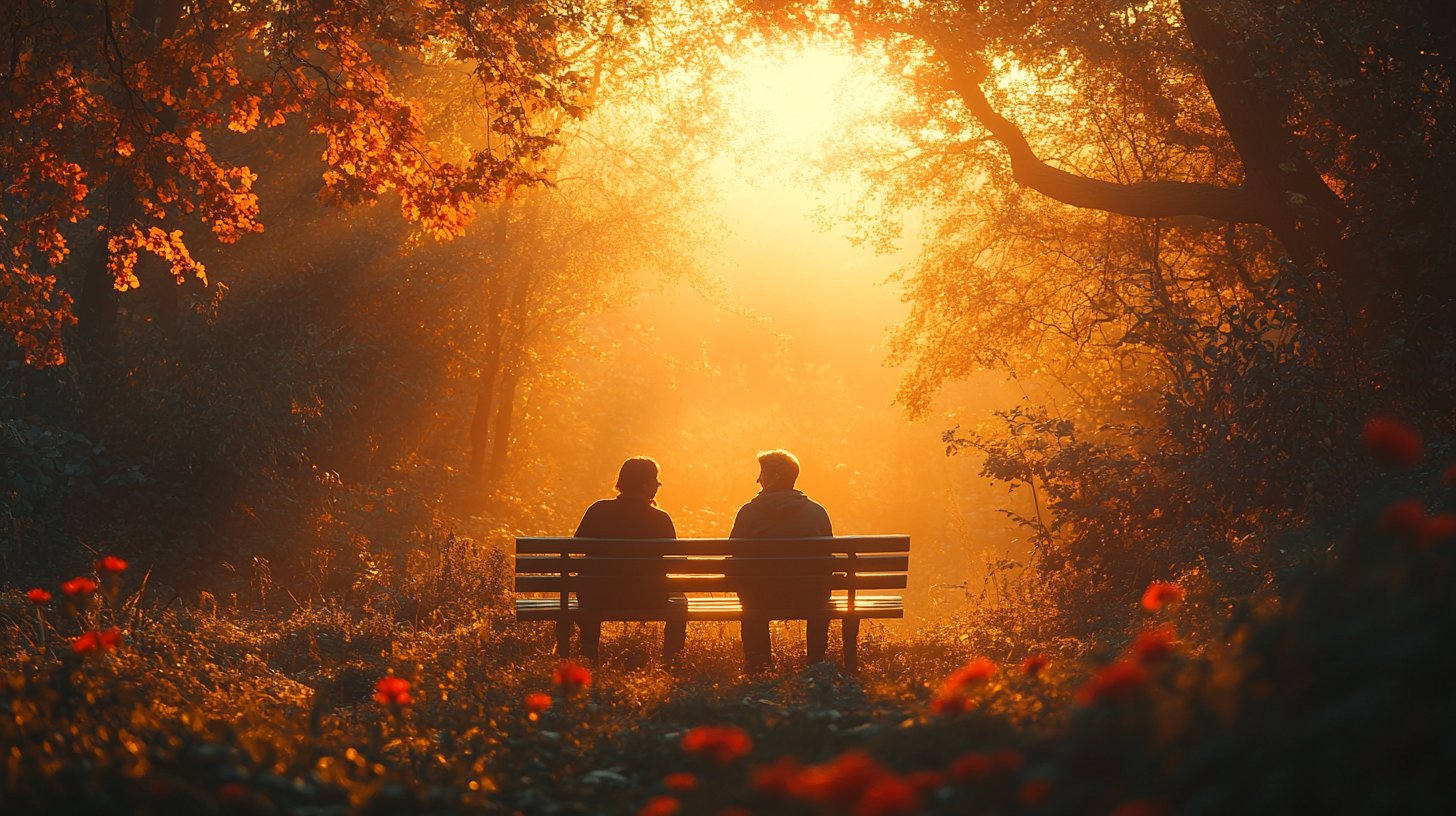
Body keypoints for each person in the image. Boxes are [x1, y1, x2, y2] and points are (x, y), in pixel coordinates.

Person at [571, 456, 686, 664]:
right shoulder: (660, 519)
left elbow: (576, 549)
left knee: (590, 584)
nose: (658, 485)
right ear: (644, 485)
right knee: (681, 601)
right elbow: (675, 562)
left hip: (598, 597)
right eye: (655, 480)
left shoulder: (597, 510)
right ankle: (672, 662)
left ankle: (588, 654)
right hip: (647, 598)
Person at [730, 449, 833, 672]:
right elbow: (828, 562)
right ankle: (816, 666)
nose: (758, 479)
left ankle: (758, 666)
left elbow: (733, 560)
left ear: (774, 478)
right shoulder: (817, 512)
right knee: (818, 595)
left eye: (762, 473)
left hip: (760, 598)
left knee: (752, 600)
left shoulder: (748, 513)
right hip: (809, 597)